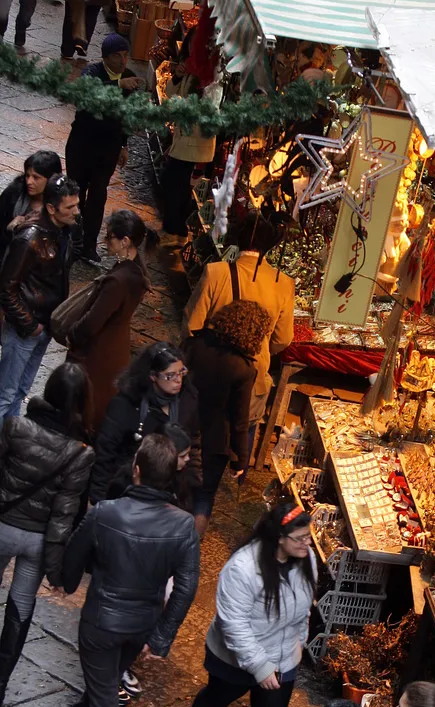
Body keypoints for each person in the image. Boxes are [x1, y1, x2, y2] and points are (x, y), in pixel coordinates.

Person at [63, 434, 200, 707]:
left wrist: (67, 580)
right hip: (142, 624)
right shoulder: (184, 525)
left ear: (136, 471)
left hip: (101, 620)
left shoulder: (106, 512)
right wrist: (161, 636)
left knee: (105, 688)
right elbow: (186, 587)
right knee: (105, 680)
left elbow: (74, 553)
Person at [176, 502, 316, 707]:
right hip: (235, 658)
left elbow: (306, 602)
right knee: (216, 698)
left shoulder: (305, 558)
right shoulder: (243, 567)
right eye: (300, 538)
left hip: (282, 658)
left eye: (308, 536)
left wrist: (300, 638)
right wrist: (259, 666)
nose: (306, 543)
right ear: (279, 538)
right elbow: (234, 623)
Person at [0, 363, 94, 706]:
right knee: (20, 612)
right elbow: (63, 517)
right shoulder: (81, 453)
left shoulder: (16, 427)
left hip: (2, 526)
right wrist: (57, 572)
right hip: (37, 542)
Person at [183, 211, 295, 467]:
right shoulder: (284, 283)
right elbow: (283, 339)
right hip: (253, 375)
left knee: (194, 442)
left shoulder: (216, 272)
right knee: (241, 432)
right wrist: (261, 346)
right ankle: (235, 469)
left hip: (208, 373)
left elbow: (192, 325)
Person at [0, 174, 79, 427]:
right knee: (6, 393)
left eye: (77, 205)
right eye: (70, 207)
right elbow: (6, 288)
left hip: (42, 326)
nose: (76, 211)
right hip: (27, 328)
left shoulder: (63, 232)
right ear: (51, 208)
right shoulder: (30, 238)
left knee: (21, 389)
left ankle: (8, 440)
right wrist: (29, 325)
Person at [187, 299, 271, 537]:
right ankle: (190, 547)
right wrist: (240, 459)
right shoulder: (244, 369)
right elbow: (239, 419)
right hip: (214, 441)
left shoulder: (194, 344)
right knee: (203, 496)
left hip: (181, 426)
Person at [67, 209, 156, 428]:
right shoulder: (136, 271)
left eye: (109, 237)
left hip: (99, 352)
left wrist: (73, 334)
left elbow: (92, 322)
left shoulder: (119, 281)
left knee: (86, 409)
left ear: (125, 241)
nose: (105, 241)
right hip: (115, 348)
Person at [90, 341, 201, 504]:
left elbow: (194, 441)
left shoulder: (188, 400)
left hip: (170, 494)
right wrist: (97, 499)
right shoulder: (126, 404)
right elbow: (105, 452)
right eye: (170, 375)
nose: (178, 380)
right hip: (127, 491)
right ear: (153, 376)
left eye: (181, 372)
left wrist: (193, 491)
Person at [65, 33, 141, 264]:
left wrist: (124, 145)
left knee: (98, 196)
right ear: (106, 57)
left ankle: (88, 245)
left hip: (107, 149)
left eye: (125, 55)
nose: (122, 60)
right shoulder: (92, 72)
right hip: (82, 144)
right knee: (76, 193)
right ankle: (72, 240)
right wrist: (118, 84)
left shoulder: (130, 78)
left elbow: (127, 116)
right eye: (117, 55)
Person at [160, 47, 217, 247]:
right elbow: (170, 92)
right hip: (183, 138)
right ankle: (174, 230)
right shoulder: (191, 69)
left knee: (175, 183)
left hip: (195, 141)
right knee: (176, 184)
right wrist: (177, 76)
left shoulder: (209, 74)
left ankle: (175, 231)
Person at [0, 150, 62, 254]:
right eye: (27, 176)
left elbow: (73, 243)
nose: (29, 182)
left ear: (51, 179)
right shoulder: (14, 192)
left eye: (36, 178)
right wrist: (9, 229)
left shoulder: (63, 202)